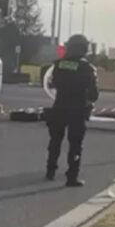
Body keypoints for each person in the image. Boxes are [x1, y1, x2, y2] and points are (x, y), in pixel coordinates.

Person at [45, 34, 99, 187]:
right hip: (78, 108)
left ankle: (50, 170)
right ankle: (72, 176)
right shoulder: (87, 68)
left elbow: (52, 83)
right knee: (75, 144)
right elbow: (94, 94)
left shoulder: (59, 65)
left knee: (55, 140)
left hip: (60, 105)